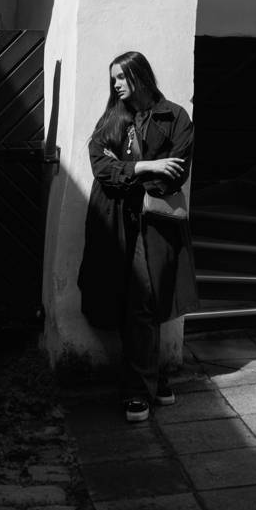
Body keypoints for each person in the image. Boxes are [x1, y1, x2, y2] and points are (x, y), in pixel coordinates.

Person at [78, 51, 197, 422]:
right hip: (114, 221)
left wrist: (128, 173)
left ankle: (137, 389)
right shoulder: (112, 119)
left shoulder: (175, 117)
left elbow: (174, 175)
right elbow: (101, 168)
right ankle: (153, 378)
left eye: (121, 77)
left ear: (140, 76)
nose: (115, 84)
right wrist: (147, 165)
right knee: (128, 299)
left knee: (146, 300)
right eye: (112, 78)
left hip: (156, 222)